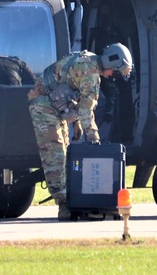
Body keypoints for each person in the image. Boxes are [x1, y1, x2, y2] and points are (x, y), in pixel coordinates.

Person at [27, 43, 133, 220]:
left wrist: (75, 122)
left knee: (66, 155)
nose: (111, 77)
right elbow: (86, 109)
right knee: (56, 156)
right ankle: (64, 206)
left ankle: (70, 201)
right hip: (43, 107)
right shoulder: (90, 72)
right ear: (109, 63)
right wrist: (94, 139)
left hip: (53, 107)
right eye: (114, 72)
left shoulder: (89, 62)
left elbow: (72, 94)